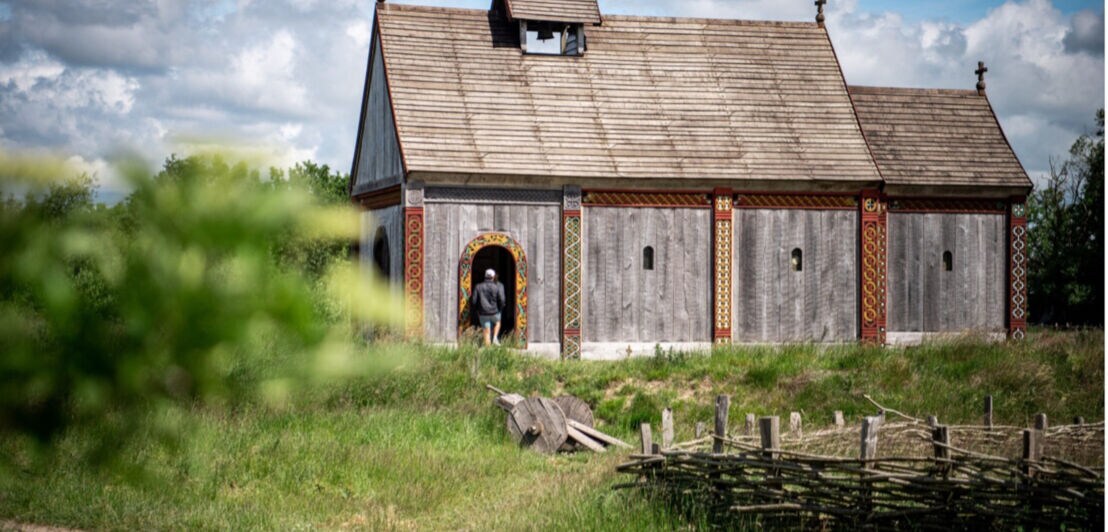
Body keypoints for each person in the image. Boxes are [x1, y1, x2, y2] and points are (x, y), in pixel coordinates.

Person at [471, 268, 506, 346]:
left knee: (486, 332)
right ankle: (495, 337)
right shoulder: (497, 287)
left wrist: (477, 310)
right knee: (498, 322)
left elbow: (473, 301)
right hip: (494, 312)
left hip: (483, 314)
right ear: (493, 277)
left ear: (485, 276)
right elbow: (502, 300)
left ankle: (488, 351)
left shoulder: (478, 286)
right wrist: (500, 309)